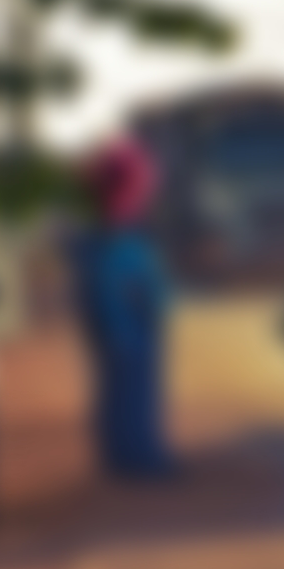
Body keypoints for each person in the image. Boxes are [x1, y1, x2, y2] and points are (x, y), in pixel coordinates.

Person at [76, 139, 177, 482]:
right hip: (129, 324)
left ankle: (130, 454)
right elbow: (123, 285)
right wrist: (137, 315)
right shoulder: (117, 238)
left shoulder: (109, 237)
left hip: (127, 322)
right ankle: (138, 457)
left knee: (126, 390)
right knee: (131, 391)